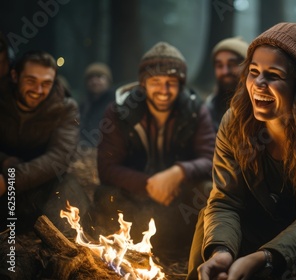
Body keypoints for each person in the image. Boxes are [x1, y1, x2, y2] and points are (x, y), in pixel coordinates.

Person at [187, 22, 296, 279]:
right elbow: (226, 200)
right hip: (263, 221)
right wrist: (222, 251)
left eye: (274, 75)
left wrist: (266, 257)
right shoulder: (235, 122)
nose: (258, 84)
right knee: (207, 225)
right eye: (253, 71)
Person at [95, 41, 216, 266]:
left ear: (181, 84)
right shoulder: (120, 111)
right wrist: (150, 183)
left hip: (180, 197)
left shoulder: (195, 110)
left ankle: (195, 254)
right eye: (156, 82)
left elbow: (211, 159)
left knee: (209, 193)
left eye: (171, 82)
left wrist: (179, 172)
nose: (164, 90)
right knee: (105, 195)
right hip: (134, 197)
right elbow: (107, 169)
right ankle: (124, 251)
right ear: (143, 84)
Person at [0, 50, 90, 235]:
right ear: (15, 76)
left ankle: (64, 245)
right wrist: (4, 161)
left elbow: (59, 157)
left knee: (69, 189)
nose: (38, 90)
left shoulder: (65, 107)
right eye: (31, 81)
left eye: (46, 83)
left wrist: (10, 179)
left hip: (43, 181)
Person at [205, 36, 248, 131]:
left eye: (232, 64)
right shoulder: (208, 110)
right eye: (219, 65)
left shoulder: (260, 109)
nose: (225, 71)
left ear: (247, 66)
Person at [79, 62, 115, 147]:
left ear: (108, 81)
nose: (94, 81)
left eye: (99, 77)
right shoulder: (83, 106)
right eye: (90, 78)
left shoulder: (116, 105)